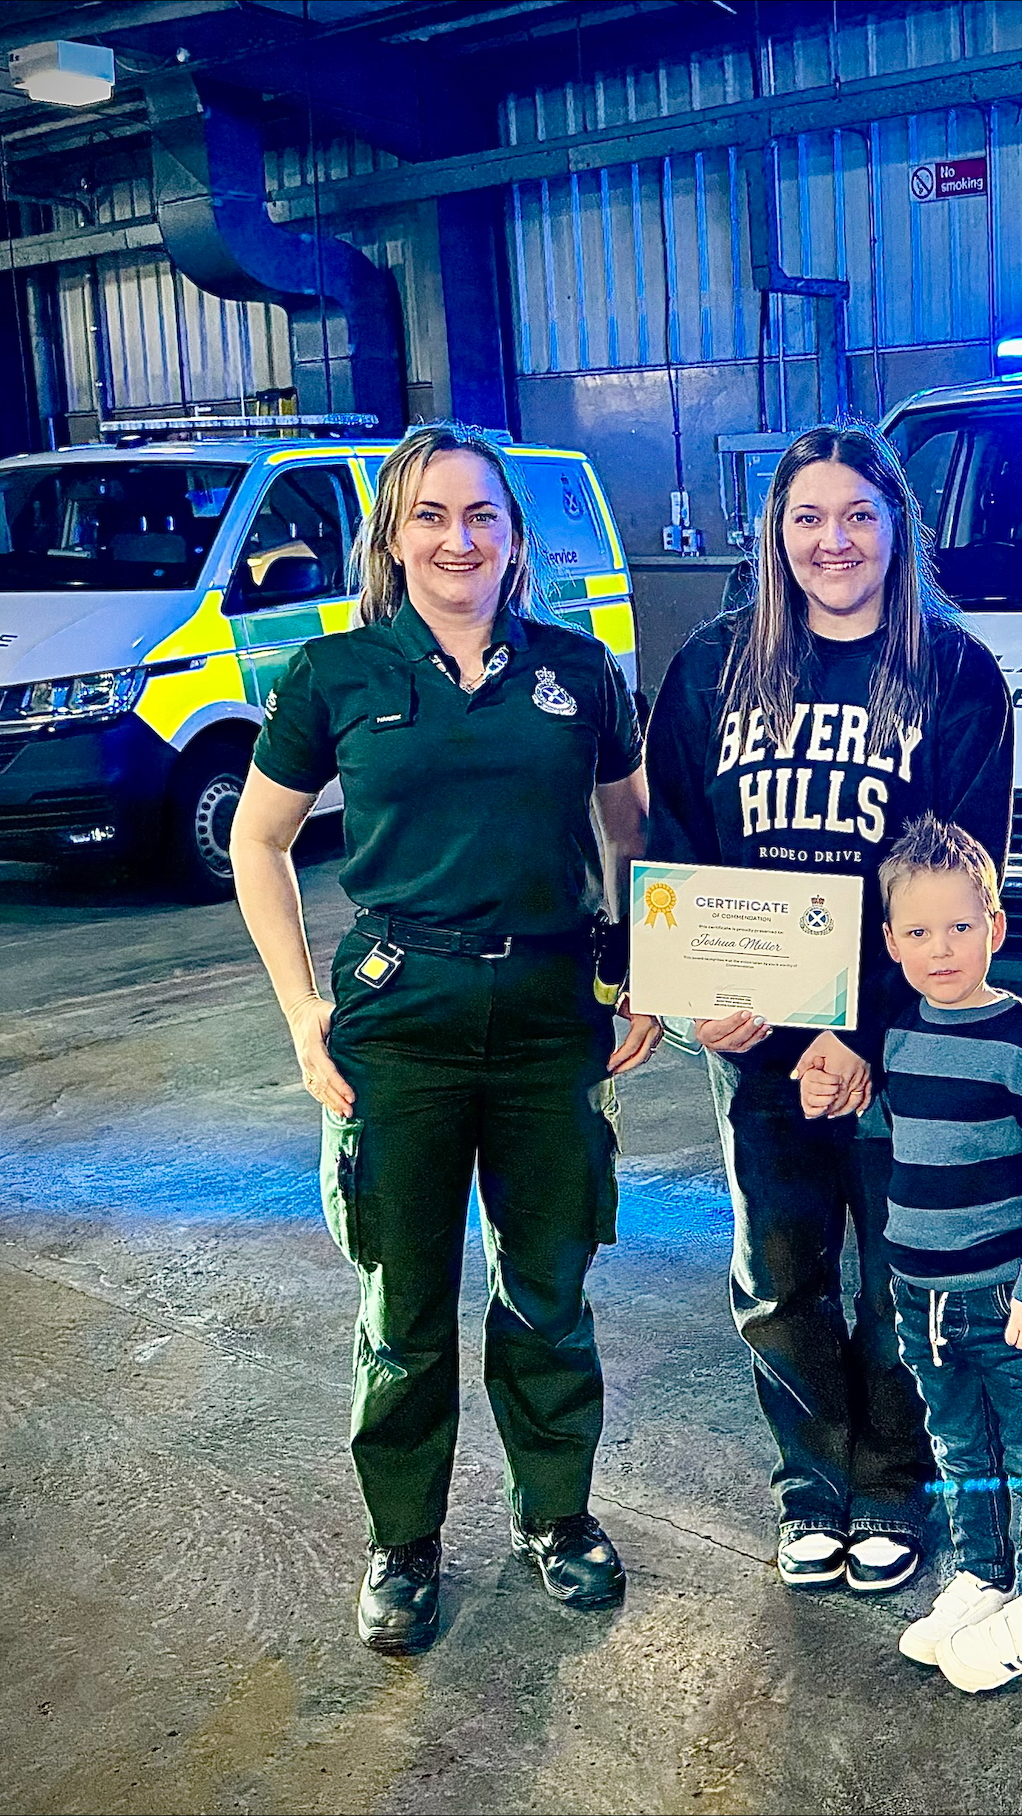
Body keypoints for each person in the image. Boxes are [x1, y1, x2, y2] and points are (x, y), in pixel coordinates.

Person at [232, 423, 661, 1655]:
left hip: (545, 1022)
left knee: (546, 1290)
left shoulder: (579, 672)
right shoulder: (335, 676)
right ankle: (403, 1539)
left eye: (481, 515)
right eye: (428, 515)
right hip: (398, 1020)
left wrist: (639, 973)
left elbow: (636, 837)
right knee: (404, 1303)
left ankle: (558, 1515)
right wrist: (300, 1005)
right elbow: (257, 842)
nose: (456, 538)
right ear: (391, 538)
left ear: (516, 539)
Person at [645, 423, 1014, 1595]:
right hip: (755, 1046)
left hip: (900, 1039)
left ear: (897, 526)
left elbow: (963, 877)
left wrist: (857, 1031)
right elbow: (676, 849)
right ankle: (813, 1484)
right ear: (774, 534)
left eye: (858, 513)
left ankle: (895, 1484)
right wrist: (701, 994)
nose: (832, 539)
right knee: (778, 1270)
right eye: (807, 516)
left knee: (902, 1272)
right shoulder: (710, 667)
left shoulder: (954, 674)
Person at [872, 814, 1022, 1694]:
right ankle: (981, 1573)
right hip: (919, 1298)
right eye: (919, 932)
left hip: (1007, 1299)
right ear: (889, 942)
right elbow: (904, 1146)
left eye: (962, 927)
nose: (942, 949)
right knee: (957, 1445)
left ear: (995, 927)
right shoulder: (896, 1034)